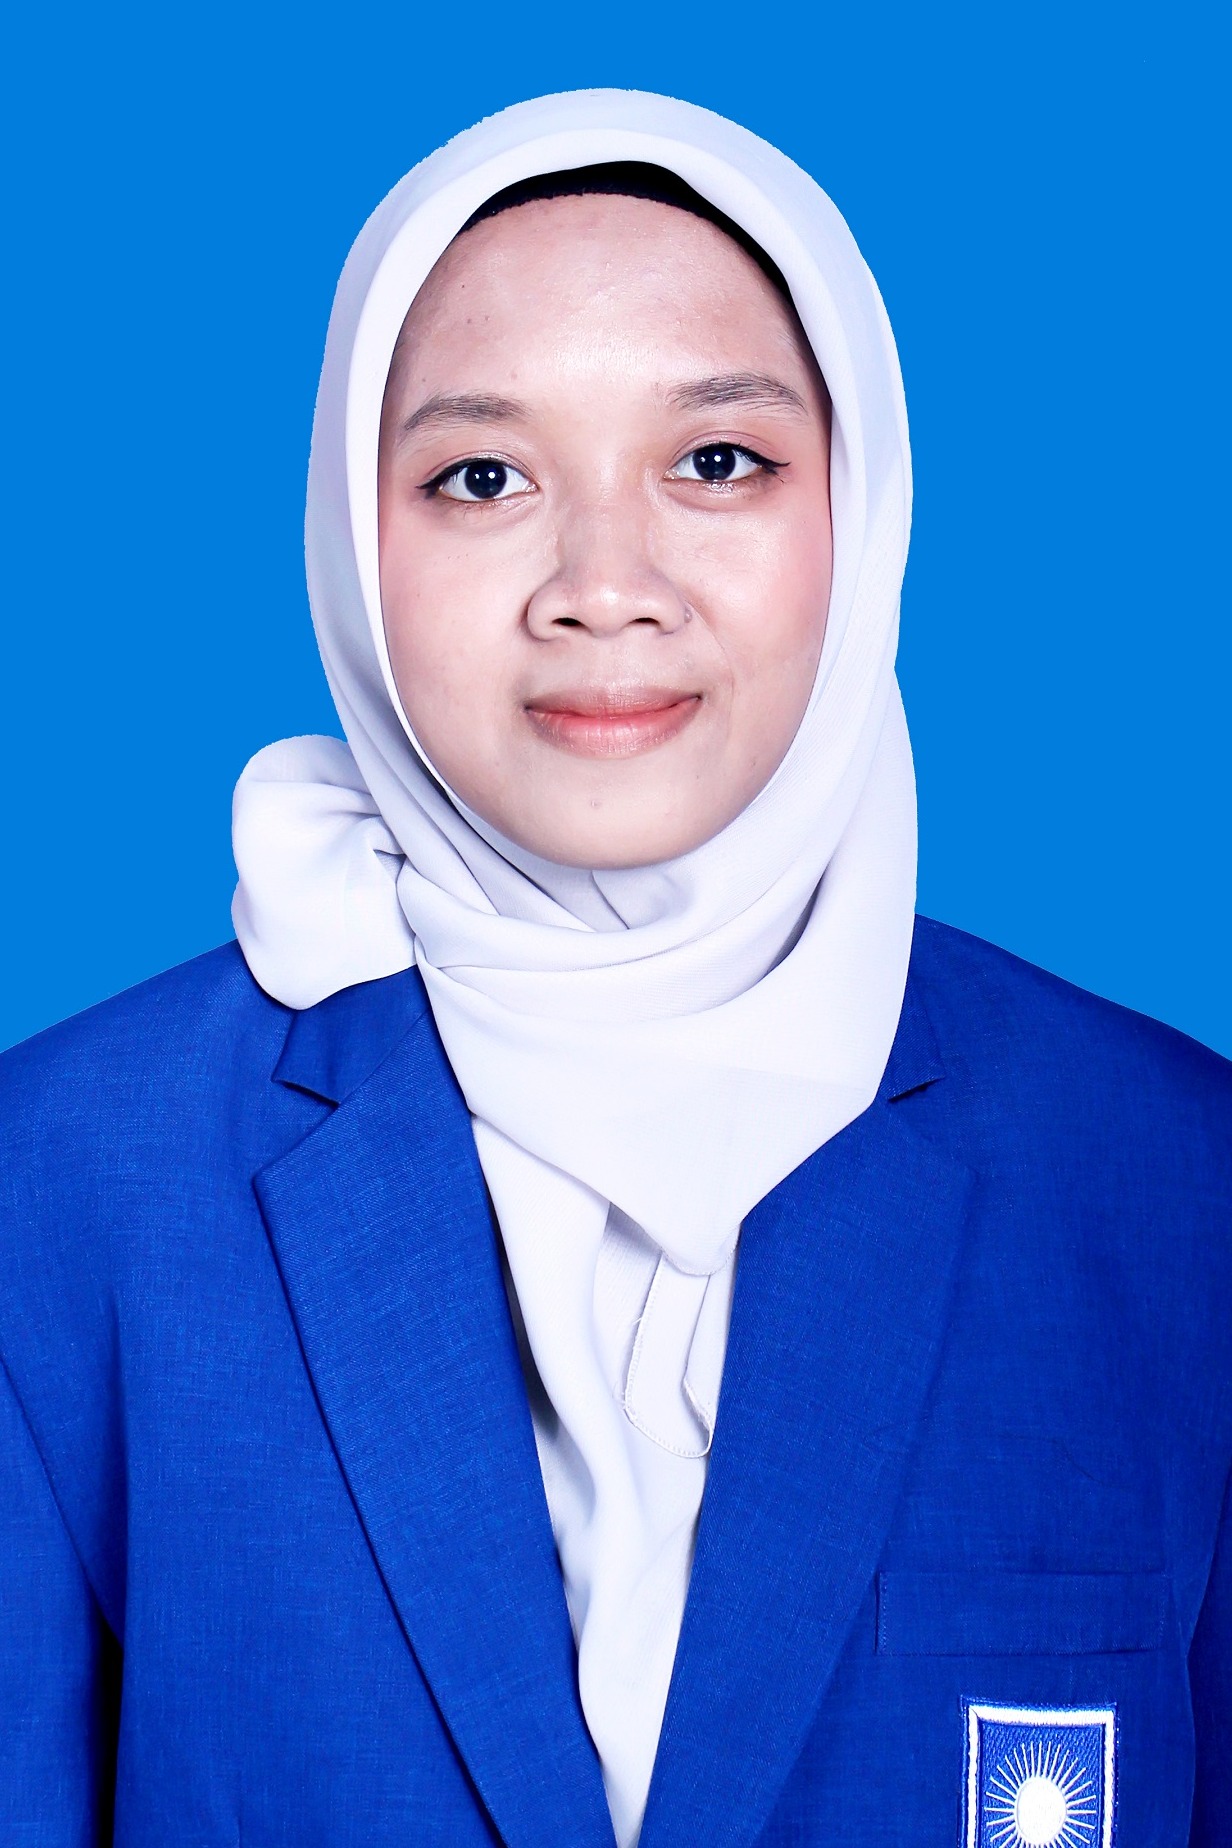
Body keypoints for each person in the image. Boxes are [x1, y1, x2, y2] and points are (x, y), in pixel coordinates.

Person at [0, 88, 1228, 1848]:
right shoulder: (59, 1190)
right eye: (482, 477)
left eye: (715, 462)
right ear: (353, 547)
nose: (604, 585)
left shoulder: (1176, 1179)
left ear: (862, 509)